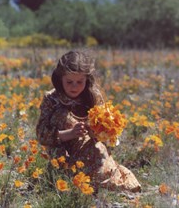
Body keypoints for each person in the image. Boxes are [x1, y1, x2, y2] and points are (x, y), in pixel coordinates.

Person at [36, 50, 141, 193]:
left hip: (91, 148)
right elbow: (41, 135)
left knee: (103, 173)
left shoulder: (93, 97)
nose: (74, 86)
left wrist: (98, 132)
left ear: (87, 79)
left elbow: (110, 138)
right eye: (69, 82)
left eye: (80, 82)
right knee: (62, 115)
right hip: (62, 151)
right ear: (60, 79)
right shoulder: (51, 99)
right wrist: (69, 134)